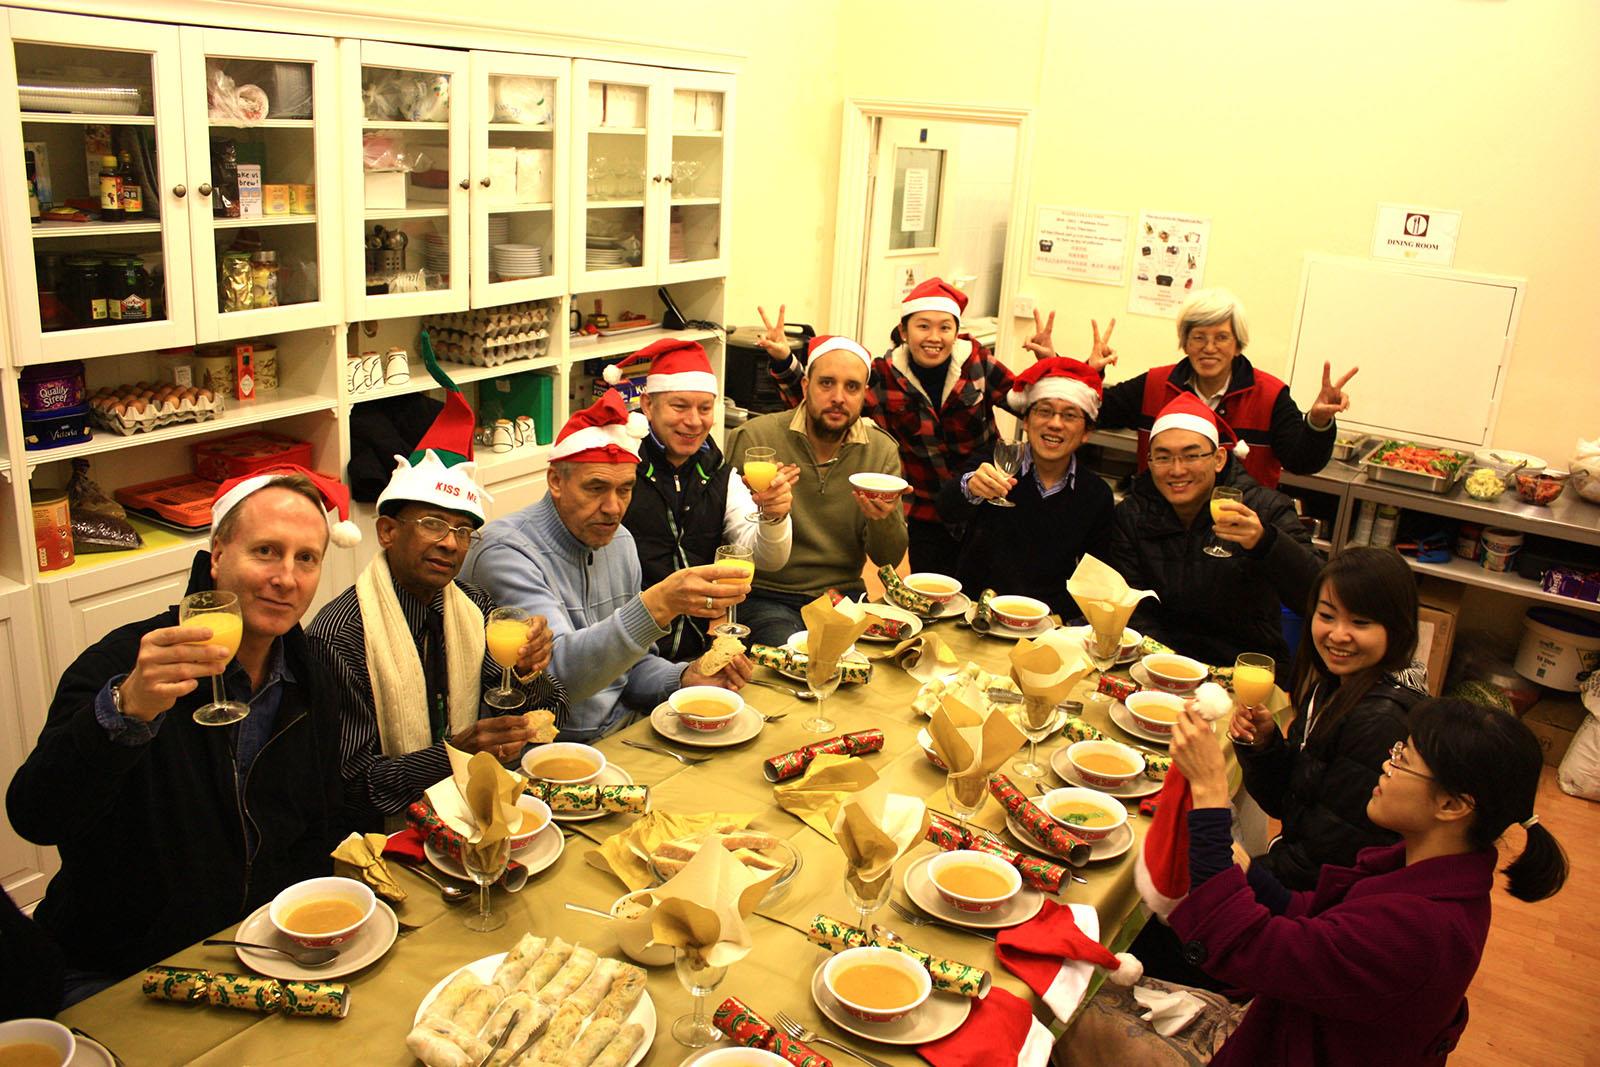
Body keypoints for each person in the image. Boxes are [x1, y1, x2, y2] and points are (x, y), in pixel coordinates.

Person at [6, 467, 353, 1002]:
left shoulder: (313, 676)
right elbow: (36, 815)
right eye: (265, 551)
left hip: (259, 948)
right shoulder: (124, 664)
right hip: (120, 968)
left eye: (305, 558)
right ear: (217, 555)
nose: (286, 578)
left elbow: (320, 822)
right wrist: (126, 711)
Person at [1159, 695, 1568, 1066]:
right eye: (1397, 750)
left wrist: (1210, 790)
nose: (1386, 766)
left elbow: (1246, 949)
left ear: (1451, 805)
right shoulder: (1429, 869)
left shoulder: (1419, 931)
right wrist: (1250, 874)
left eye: (1404, 760)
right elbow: (1316, 920)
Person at [308, 363, 566, 831]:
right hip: (385, 841)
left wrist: (529, 674)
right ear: (387, 531)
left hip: (476, 816)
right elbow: (350, 787)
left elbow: (555, 713)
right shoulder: (340, 637)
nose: (450, 543)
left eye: (464, 531)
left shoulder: (474, 608)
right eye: (432, 524)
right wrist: (453, 756)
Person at [757, 279, 1108, 574]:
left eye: (945, 327)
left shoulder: (979, 364)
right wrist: (785, 361)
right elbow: (824, 406)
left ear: (957, 332)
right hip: (924, 511)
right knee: (932, 595)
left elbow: (1035, 408)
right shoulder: (883, 373)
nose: (934, 337)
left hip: (984, 498)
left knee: (986, 577)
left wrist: (1056, 366)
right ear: (904, 331)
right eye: (923, 326)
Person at [462, 390, 752, 742]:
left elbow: (631, 667)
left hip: (623, 731)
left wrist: (683, 678)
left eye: (625, 489)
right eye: (596, 488)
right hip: (546, 749)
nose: (613, 508)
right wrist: (657, 606)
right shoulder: (505, 551)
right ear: (556, 481)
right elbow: (556, 681)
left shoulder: (620, 542)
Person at [1231, 547, 1429, 889]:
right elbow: (1290, 804)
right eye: (1327, 615)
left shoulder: (1381, 723)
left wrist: (1241, 878)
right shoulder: (1335, 685)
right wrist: (1265, 746)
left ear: (1397, 626)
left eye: (1360, 622)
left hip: (1322, 900)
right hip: (1299, 872)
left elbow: (1325, 865)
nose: (1337, 635)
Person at [1106, 391, 1320, 676]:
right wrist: (1172, 667)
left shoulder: (1264, 509)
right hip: (1159, 666)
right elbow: (1132, 608)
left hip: (1243, 671)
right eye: (1163, 458)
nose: (1177, 470)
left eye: (1191, 456)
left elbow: (1316, 595)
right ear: (1150, 462)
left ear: (1219, 459)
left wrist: (1265, 542)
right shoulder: (1133, 515)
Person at [609, 338, 796, 661]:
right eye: (680, 406)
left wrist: (774, 516)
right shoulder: (619, 468)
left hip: (696, 652)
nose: (694, 421)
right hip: (624, 649)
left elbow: (768, 559)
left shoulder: (720, 473)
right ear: (648, 405)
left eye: (705, 408)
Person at [725, 334, 908, 645]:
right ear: (805, 385)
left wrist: (883, 518)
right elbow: (728, 540)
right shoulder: (756, 439)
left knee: (880, 660)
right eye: (826, 383)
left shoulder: (880, 451)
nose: (838, 397)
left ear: (864, 394)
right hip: (768, 594)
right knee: (797, 654)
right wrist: (769, 509)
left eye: (852, 387)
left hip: (842, 597)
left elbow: (887, 557)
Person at [1093, 288, 1357, 488]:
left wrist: (1318, 422)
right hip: (1163, 525)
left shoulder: (1269, 395)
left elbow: (1302, 462)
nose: (1209, 348)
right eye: (1198, 337)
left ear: (1238, 345)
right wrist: (1090, 372)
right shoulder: (1155, 385)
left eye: (1221, 338)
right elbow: (1093, 412)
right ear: (1185, 343)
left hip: (1239, 527)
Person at [936, 357, 1114, 616]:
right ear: (1027, 422)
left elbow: (1097, 578)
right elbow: (946, 507)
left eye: (1069, 415)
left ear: (1086, 432)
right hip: (978, 612)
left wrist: (1061, 621)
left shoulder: (1096, 494)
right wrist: (971, 487)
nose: (1055, 423)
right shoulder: (995, 462)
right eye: (1044, 411)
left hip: (1048, 620)